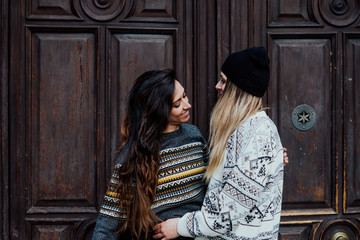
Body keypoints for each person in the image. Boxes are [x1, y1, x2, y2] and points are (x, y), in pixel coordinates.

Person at [153, 46, 284, 239]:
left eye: (223, 81)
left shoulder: (258, 137)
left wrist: (179, 226)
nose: (217, 86)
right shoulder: (243, 130)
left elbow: (226, 216)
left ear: (238, 89)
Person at [91, 69, 209, 240]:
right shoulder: (134, 155)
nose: (187, 105)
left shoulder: (194, 136)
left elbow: (214, 188)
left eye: (185, 96)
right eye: (177, 104)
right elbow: (108, 221)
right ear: (158, 110)